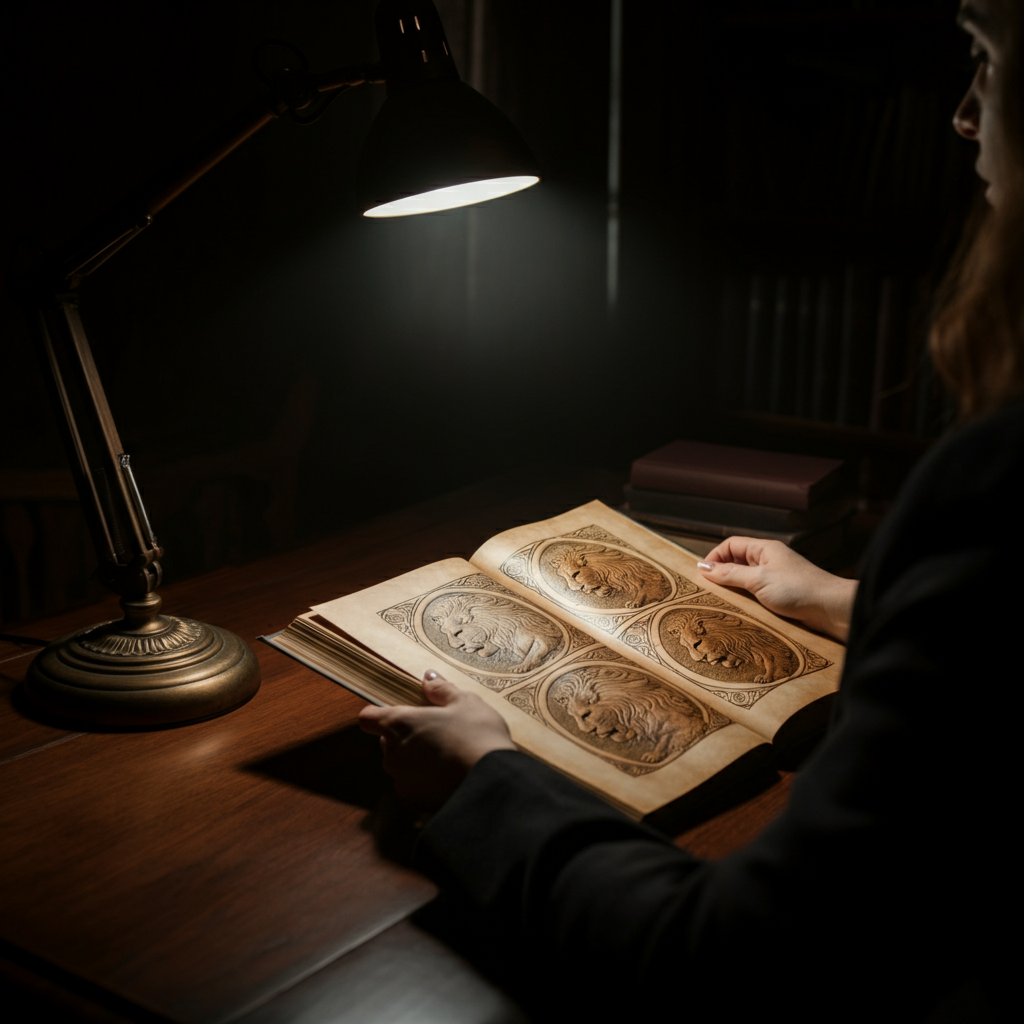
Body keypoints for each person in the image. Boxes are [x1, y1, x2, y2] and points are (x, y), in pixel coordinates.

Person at [359, 2, 1022, 1019]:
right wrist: (851, 601)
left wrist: (486, 773)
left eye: (983, 57)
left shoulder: (998, 480)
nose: (963, 116)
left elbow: (735, 966)